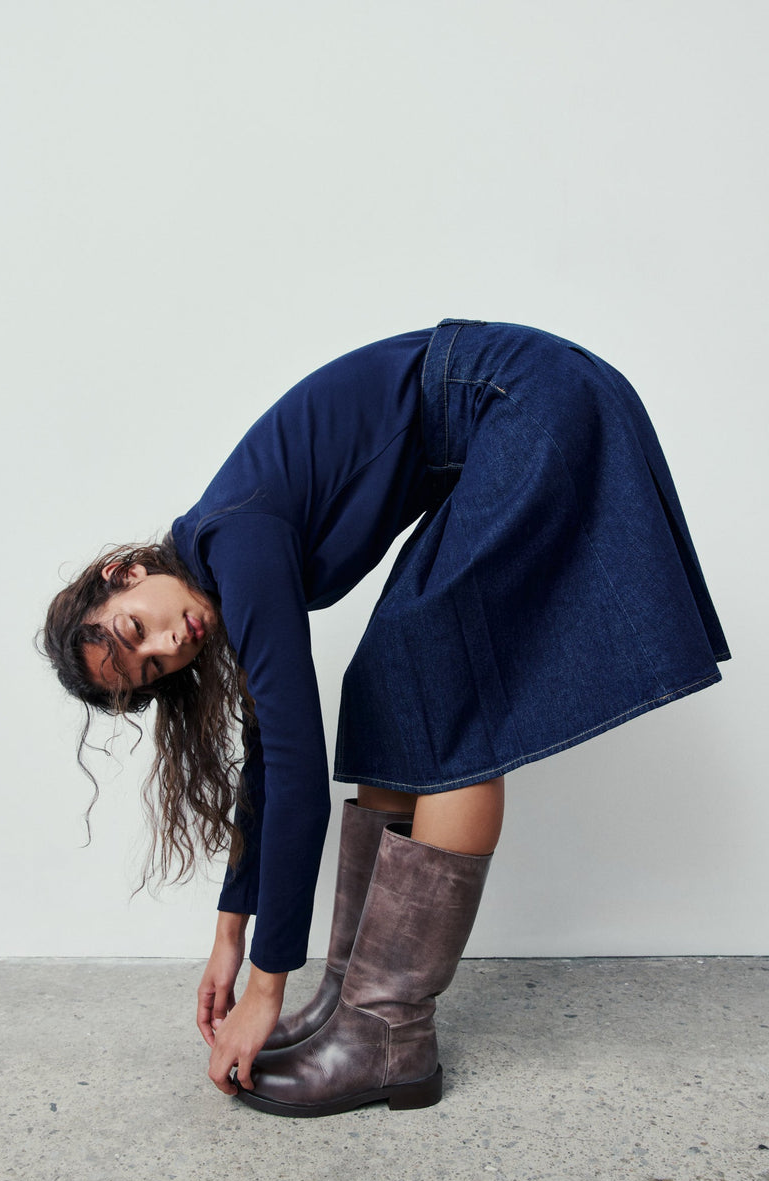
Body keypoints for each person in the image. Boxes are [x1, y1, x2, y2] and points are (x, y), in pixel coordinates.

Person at [42, 318, 729, 1118]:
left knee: (445, 692)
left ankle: (386, 1025)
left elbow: (300, 769)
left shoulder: (235, 539)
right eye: (155, 665)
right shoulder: (224, 564)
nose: (170, 642)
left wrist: (267, 986)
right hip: (520, 402)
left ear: (123, 573)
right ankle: (351, 999)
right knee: (388, 682)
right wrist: (230, 932)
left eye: (137, 626)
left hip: (529, 398)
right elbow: (270, 757)